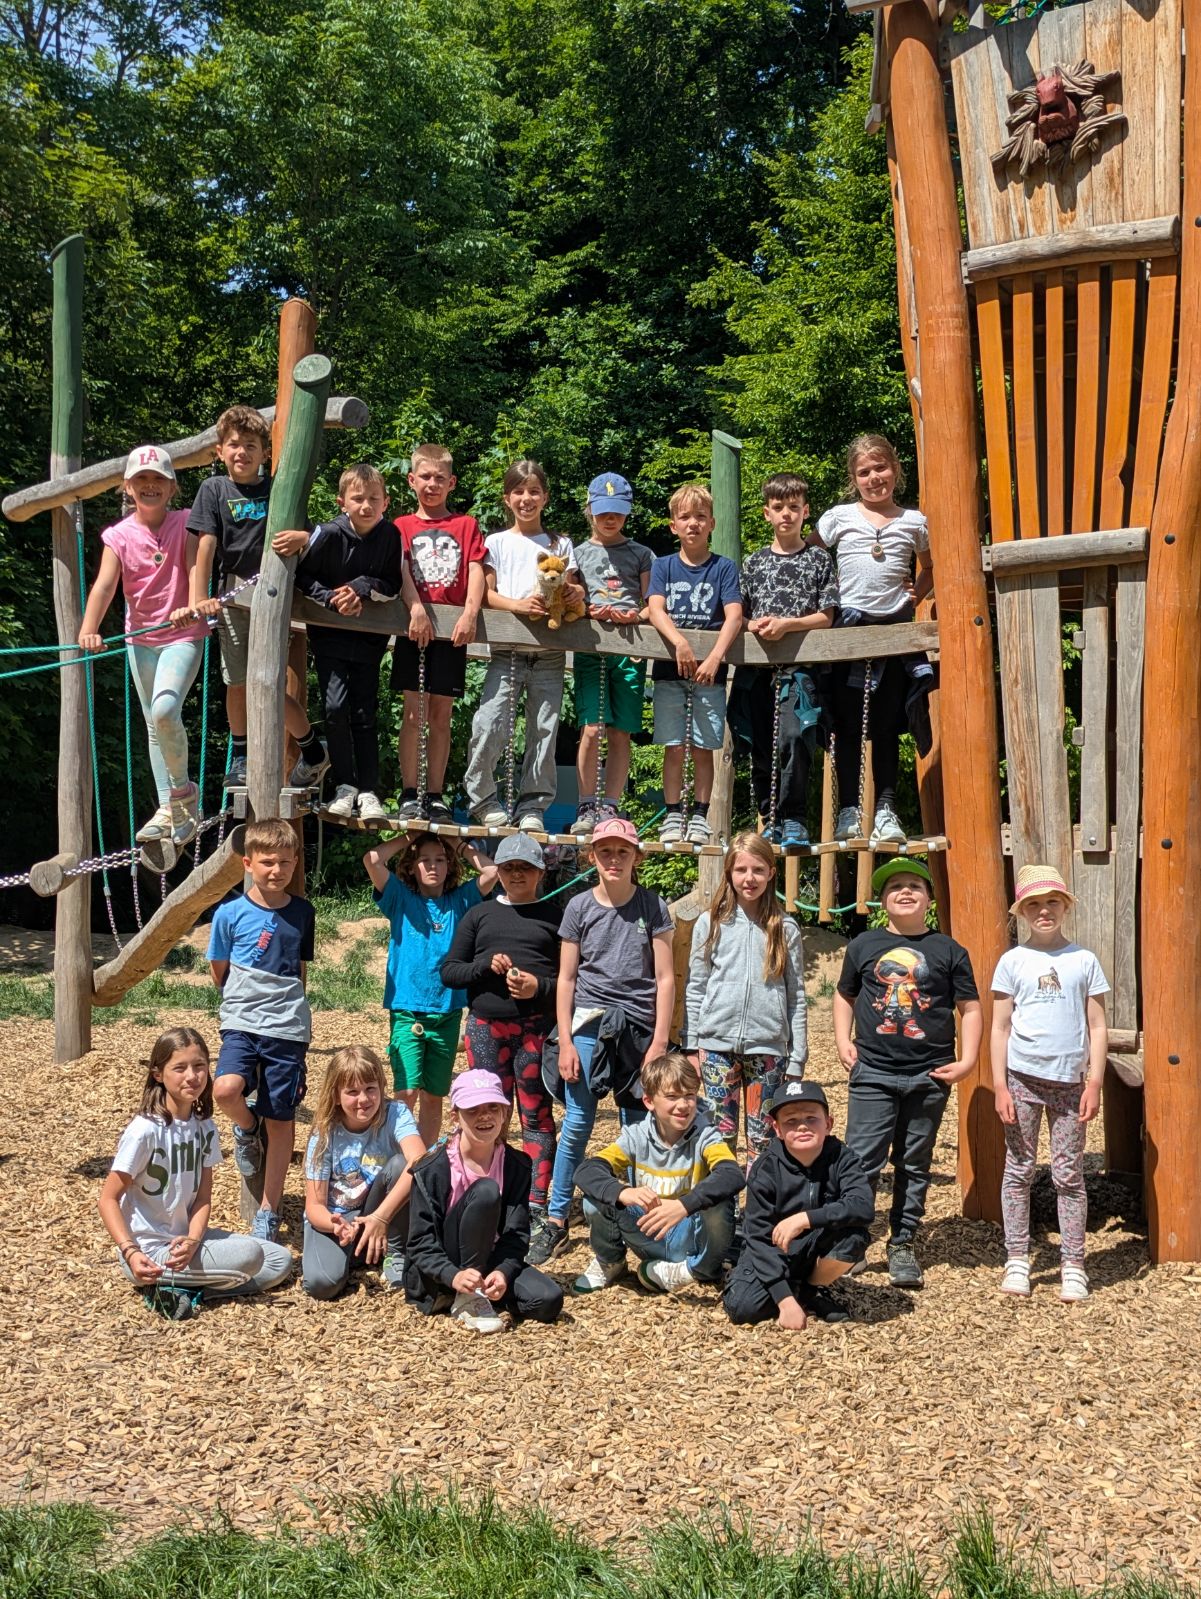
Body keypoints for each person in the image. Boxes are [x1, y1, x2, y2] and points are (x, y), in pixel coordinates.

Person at [533, 815, 675, 1264]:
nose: (614, 859)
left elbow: (666, 978)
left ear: (636, 857)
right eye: (605, 851)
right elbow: (567, 978)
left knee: (637, 1124)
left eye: (623, 851)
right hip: (590, 1023)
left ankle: (636, 1217)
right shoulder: (579, 907)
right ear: (591, 856)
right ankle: (556, 1217)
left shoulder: (652, 906)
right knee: (578, 1120)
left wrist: (659, 1043)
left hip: (637, 1025)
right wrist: (566, 1041)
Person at [834, 857, 982, 1287]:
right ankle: (852, 1241)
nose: (904, 891)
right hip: (873, 1070)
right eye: (894, 886)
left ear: (929, 900)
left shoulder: (948, 950)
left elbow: (970, 1007)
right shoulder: (863, 945)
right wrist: (842, 1039)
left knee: (914, 1162)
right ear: (882, 900)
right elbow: (845, 995)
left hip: (929, 1074)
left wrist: (968, 1060)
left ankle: (902, 1242)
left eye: (915, 886)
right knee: (861, 1159)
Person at [98, 1026, 293, 1318]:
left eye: (199, 1066)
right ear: (158, 1074)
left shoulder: (205, 1126)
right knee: (252, 1255)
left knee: (280, 1259)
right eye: (180, 1068)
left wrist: (192, 1240)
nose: (192, 1076)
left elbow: (203, 1199)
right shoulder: (145, 1131)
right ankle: (161, 1279)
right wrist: (130, 1251)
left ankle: (186, 1291)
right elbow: (108, 1199)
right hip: (148, 1251)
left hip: (185, 1241)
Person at [188, 404, 328, 791]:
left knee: (267, 680)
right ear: (220, 451)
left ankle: (310, 748)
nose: (242, 452)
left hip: (274, 594)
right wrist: (199, 596)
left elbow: (308, 533)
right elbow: (205, 544)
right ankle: (242, 754)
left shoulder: (277, 488)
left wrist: (303, 537)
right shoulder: (214, 489)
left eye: (251, 445)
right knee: (237, 681)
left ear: (265, 453)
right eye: (234, 445)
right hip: (233, 596)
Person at [78, 445, 207, 847]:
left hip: (182, 634)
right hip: (141, 639)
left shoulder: (186, 522)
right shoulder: (118, 536)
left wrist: (192, 604)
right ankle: (169, 807)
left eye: (158, 479)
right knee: (154, 724)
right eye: (141, 480)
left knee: (165, 710)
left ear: (172, 487)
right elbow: (104, 586)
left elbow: (195, 566)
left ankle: (184, 794)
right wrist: (89, 628)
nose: (150, 486)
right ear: (128, 487)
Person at [991, 865, 1109, 1303]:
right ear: (1022, 912)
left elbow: (1097, 1025)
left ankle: (1073, 1263)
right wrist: (1000, 1085)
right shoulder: (1013, 961)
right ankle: (1017, 1258)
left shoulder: (1083, 960)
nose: (1044, 911)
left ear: (1065, 907)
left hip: (1070, 1085)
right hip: (1022, 1079)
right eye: (1034, 904)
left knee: (1068, 1174)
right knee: (1019, 1169)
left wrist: (1094, 1081)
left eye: (1052, 902)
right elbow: (1000, 1027)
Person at [816, 434, 934, 848]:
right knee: (847, 724)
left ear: (895, 469)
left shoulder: (914, 522)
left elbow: (931, 565)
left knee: (886, 725)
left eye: (880, 468)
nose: (874, 478)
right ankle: (849, 809)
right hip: (849, 631)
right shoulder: (839, 517)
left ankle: (886, 809)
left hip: (893, 632)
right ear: (854, 479)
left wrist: (916, 593)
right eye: (864, 472)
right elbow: (809, 555)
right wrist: (822, 595)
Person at [439, 834, 562, 1230]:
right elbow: (450, 971)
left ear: (540, 872)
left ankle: (536, 1202)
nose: (516, 875)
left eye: (525, 868)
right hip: (485, 1029)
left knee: (536, 1115)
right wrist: (485, 966)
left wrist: (538, 987)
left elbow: (571, 982)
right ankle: (485, 1192)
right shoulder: (480, 915)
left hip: (536, 1031)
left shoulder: (555, 916)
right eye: (509, 868)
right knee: (486, 1114)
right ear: (499, 872)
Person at [208, 818, 316, 1242]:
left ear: (295, 863)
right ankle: (246, 1128)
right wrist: (244, 998)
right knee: (225, 1090)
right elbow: (219, 970)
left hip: (287, 1027)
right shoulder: (229, 914)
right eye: (268, 862)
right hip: (241, 1021)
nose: (277, 870)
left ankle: (269, 1209)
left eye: (285, 862)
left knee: (281, 1117)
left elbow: (298, 968)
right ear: (248, 863)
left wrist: (295, 1013)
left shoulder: (303, 912)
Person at [463, 459, 583, 831]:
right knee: (490, 724)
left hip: (549, 655)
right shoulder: (496, 542)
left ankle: (533, 806)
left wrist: (573, 593)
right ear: (507, 498)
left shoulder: (561, 543)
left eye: (533, 491)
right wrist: (517, 605)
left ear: (545, 497)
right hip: (507, 650)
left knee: (544, 732)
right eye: (518, 491)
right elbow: (487, 594)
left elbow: (574, 589)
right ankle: (482, 799)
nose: (526, 499)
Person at [683, 831, 808, 1172]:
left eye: (758, 870)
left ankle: (758, 1204)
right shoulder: (710, 923)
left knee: (763, 1139)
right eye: (741, 870)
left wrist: (797, 1057)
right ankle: (721, 1204)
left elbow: (796, 996)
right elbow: (696, 987)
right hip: (716, 1048)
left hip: (768, 1050)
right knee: (718, 1138)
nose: (749, 878)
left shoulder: (785, 928)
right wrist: (691, 1046)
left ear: (771, 873)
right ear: (729, 873)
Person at [404, 1069, 564, 1333]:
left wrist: (503, 1271)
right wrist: (452, 1275)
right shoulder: (433, 1169)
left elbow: (516, 1233)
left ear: (504, 1113)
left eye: (493, 1107)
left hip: (489, 1256)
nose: (485, 1116)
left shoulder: (516, 1165)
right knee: (487, 1191)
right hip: (444, 1266)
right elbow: (420, 1241)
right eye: (473, 1110)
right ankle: (464, 1295)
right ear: (455, 1116)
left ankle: (481, 1291)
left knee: (547, 1300)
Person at [572, 1051, 744, 1296]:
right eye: (672, 1096)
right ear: (649, 1101)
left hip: (690, 1238)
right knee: (596, 1197)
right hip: (649, 1232)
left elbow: (731, 1174)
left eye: (689, 1095)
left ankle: (696, 1270)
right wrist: (623, 1192)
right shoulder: (636, 1136)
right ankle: (611, 1261)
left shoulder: (706, 1136)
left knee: (720, 1202)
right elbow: (587, 1170)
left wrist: (683, 1206)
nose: (683, 1105)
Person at [363, 832, 498, 1146]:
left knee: (435, 1095)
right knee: (407, 1090)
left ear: (450, 865)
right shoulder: (400, 899)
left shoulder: (460, 901)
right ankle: (395, 1154)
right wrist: (408, 836)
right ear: (412, 867)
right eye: (424, 860)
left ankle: (423, 1163)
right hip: (408, 1009)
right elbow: (372, 860)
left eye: (440, 860)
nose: (433, 866)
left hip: (447, 1011)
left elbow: (492, 872)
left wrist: (457, 844)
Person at [729, 472, 838, 848]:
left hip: (800, 672)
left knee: (794, 738)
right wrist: (752, 624)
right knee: (761, 744)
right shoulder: (754, 562)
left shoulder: (818, 559)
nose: (786, 514)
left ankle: (794, 817)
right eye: (779, 507)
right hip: (758, 672)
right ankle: (770, 818)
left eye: (794, 507)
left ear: (806, 511)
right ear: (767, 513)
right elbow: (738, 613)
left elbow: (827, 615)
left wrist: (788, 625)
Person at [294, 464, 401, 823]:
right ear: (342, 502)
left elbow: (392, 583)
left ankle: (369, 790)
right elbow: (302, 577)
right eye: (358, 499)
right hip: (330, 637)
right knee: (335, 707)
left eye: (374, 499)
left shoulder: (390, 535)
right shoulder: (327, 535)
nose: (366, 506)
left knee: (364, 713)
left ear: (385, 502)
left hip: (370, 639)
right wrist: (331, 599)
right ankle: (344, 784)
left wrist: (360, 587)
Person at [724, 1080, 873, 1328]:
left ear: (828, 1123)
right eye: (791, 1121)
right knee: (742, 1309)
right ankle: (793, 1290)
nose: (802, 1126)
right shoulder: (765, 1169)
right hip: (774, 1249)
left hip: (815, 1245)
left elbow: (862, 1206)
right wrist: (784, 1300)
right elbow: (757, 1237)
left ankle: (811, 1288)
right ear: (777, 1129)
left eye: (811, 1118)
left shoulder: (843, 1158)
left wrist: (805, 1218)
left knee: (854, 1237)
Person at [646, 483, 744, 844]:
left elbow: (734, 615)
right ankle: (673, 814)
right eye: (685, 517)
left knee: (704, 748)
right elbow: (655, 608)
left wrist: (715, 656)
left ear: (712, 523)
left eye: (700, 517)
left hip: (710, 675)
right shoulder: (663, 566)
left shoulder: (724, 568)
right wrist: (680, 642)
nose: (693, 524)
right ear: (673, 525)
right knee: (673, 746)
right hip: (670, 670)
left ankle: (700, 816)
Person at [394, 442, 486, 822]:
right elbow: (400, 569)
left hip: (452, 630)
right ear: (412, 480)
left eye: (439, 478)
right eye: (425, 477)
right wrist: (415, 607)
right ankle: (409, 793)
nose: (432, 484)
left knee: (441, 715)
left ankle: (435, 794)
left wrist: (470, 614)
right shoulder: (401, 526)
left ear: (452, 483)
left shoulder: (466, 525)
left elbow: (476, 569)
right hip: (414, 627)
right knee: (413, 713)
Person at [302, 1044, 428, 1299]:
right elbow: (314, 1206)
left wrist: (380, 1217)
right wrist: (334, 1225)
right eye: (352, 1092)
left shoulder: (395, 1113)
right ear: (336, 1095)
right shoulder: (324, 1133)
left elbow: (419, 1159)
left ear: (381, 1087)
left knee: (401, 1165)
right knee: (321, 1285)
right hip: (339, 1216)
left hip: (379, 1208)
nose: (364, 1099)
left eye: (371, 1089)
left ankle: (395, 1250)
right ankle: (358, 1252)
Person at [571, 471, 654, 835]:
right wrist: (586, 610)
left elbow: (653, 605)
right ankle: (586, 803)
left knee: (621, 731)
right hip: (591, 647)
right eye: (603, 511)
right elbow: (569, 602)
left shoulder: (642, 554)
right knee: (592, 728)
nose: (610, 518)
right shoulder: (576, 554)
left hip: (631, 649)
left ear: (627, 512)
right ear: (590, 509)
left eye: (617, 512)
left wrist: (635, 615)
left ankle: (611, 805)